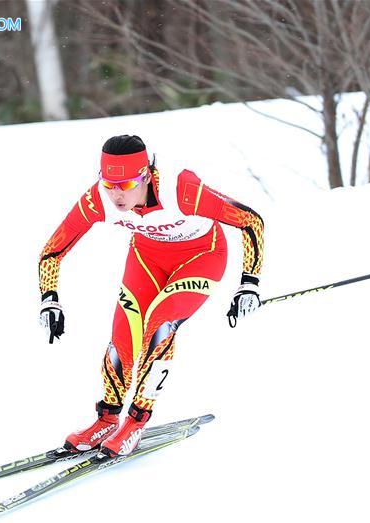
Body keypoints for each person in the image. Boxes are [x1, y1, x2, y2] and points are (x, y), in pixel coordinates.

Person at [38, 134, 265, 457]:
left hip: (201, 257)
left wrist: (249, 283)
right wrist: (50, 299)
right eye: (109, 184)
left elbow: (251, 221)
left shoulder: (182, 191)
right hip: (147, 259)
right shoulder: (97, 199)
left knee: (160, 326)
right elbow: (53, 250)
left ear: (146, 175)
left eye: (126, 184)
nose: (116, 195)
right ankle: (107, 419)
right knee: (123, 336)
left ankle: (136, 421)